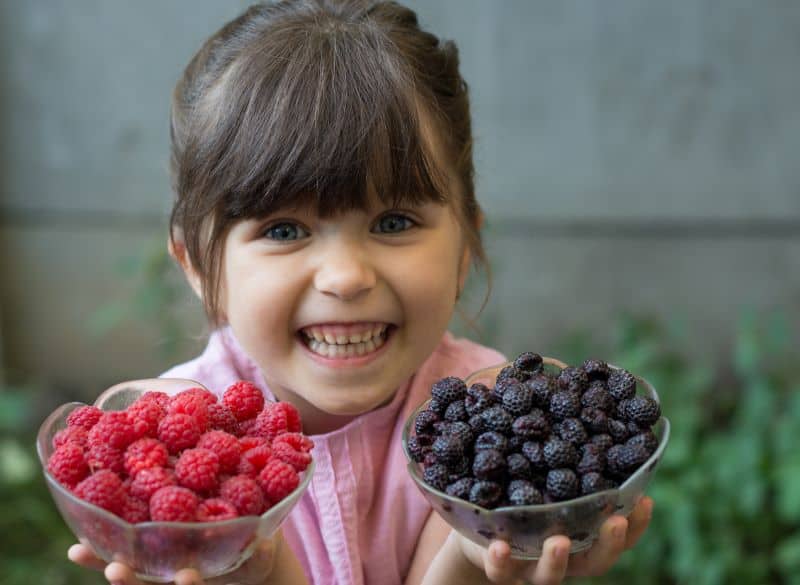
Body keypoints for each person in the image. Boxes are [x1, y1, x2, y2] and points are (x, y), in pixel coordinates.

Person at [68, 1, 654, 583]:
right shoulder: (179, 445)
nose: (346, 277)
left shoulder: (484, 419)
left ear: (465, 246)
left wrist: (474, 561)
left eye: (394, 222)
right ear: (197, 263)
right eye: (284, 230)